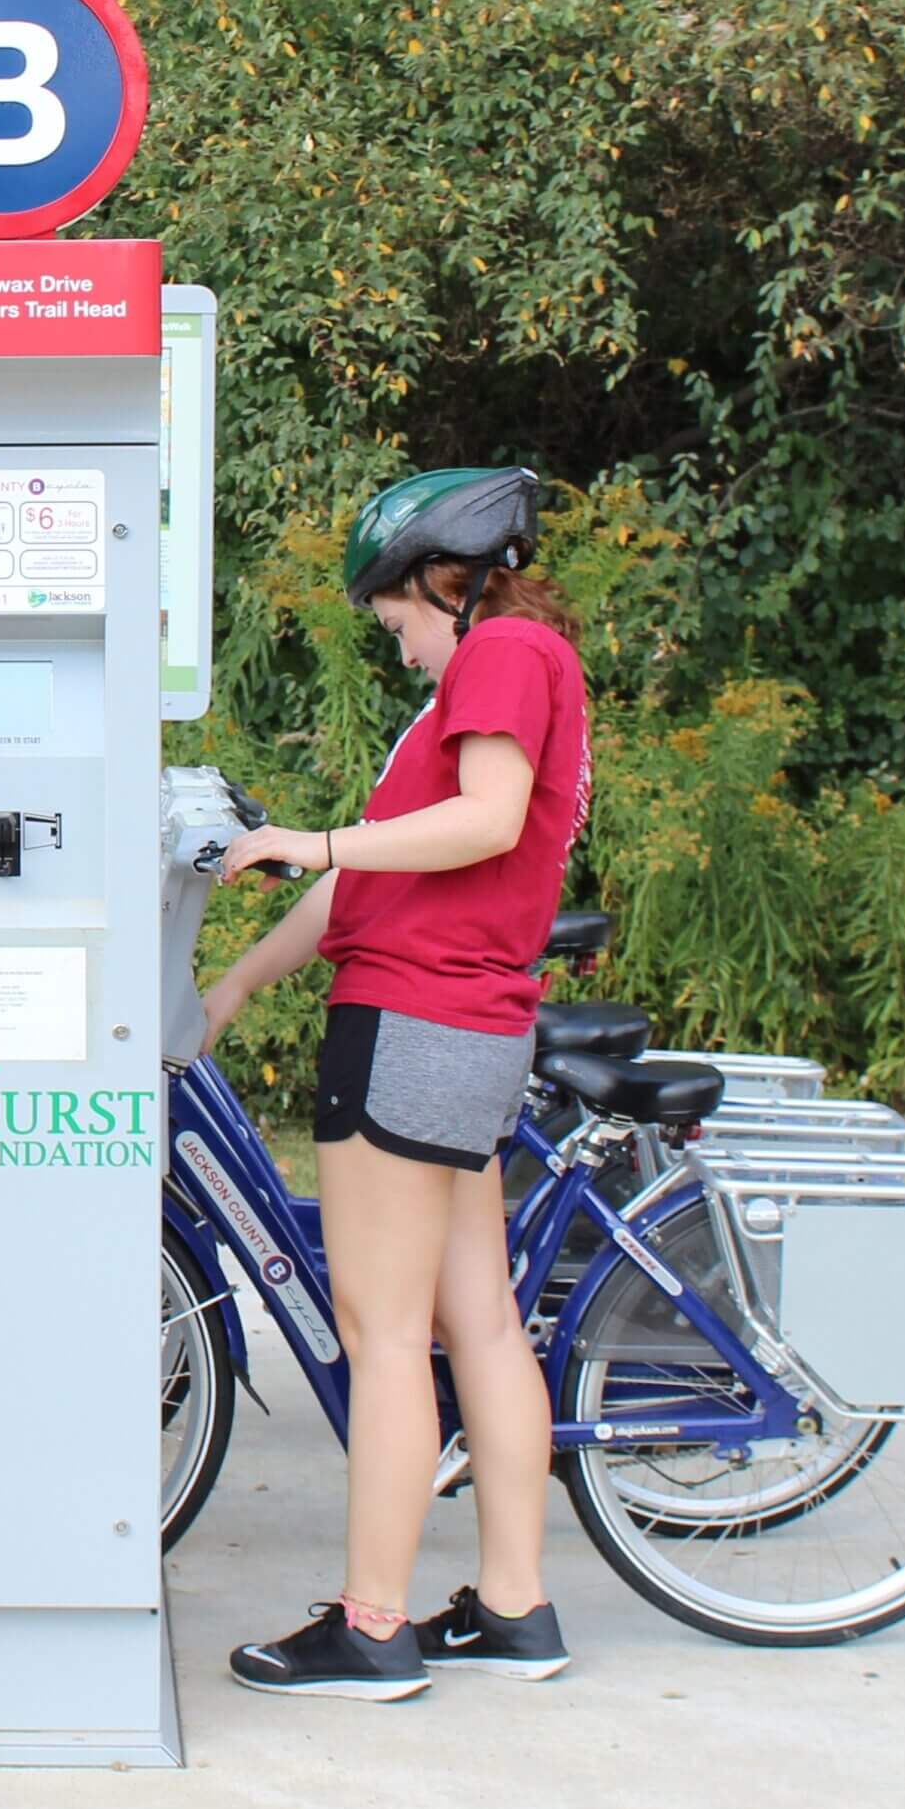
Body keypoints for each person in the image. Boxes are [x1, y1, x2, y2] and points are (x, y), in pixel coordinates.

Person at [204, 466, 589, 1700]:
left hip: (414, 1024)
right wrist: (237, 984)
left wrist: (309, 838)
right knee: (474, 1319)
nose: (405, 650)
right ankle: (517, 1605)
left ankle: (373, 1625)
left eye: (400, 623)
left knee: (380, 1332)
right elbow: (370, 876)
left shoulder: (502, 654)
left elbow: (481, 821)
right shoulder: (503, 675)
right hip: (471, 1026)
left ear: (450, 579)